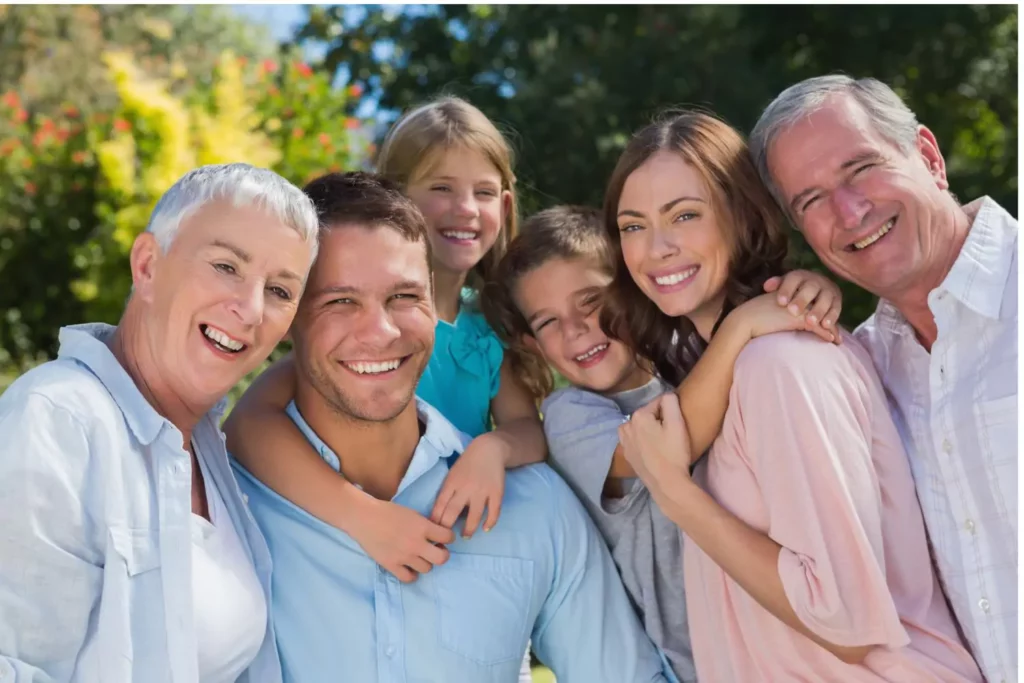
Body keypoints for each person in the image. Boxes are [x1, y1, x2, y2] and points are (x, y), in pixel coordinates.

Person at [230, 171, 671, 683]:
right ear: (290, 316)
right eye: (340, 301)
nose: (381, 331)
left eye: (403, 297)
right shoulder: (226, 505)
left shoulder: (535, 505)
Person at [605, 111, 982, 681]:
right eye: (633, 225)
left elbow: (844, 619)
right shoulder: (724, 367)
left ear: (742, 216)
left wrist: (679, 497)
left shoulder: (783, 365)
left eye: (684, 215)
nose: (656, 247)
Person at [224, 96, 542, 678]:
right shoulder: (346, 340)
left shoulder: (488, 327)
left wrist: (492, 449)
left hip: (457, 551)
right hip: (356, 551)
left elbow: (528, 430)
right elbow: (247, 426)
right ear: (394, 199)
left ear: (508, 203)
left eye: (483, 191)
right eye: (441, 187)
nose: (464, 208)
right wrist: (363, 518)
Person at [481, 204, 846, 682]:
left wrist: (810, 292)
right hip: (689, 663)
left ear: (633, 291)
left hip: (776, 634)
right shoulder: (571, 418)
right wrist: (742, 327)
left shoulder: (692, 359)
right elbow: (667, 444)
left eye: (590, 301)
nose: (575, 330)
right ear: (533, 345)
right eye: (548, 323)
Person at [0, 163, 320, 682]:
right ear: (148, 264)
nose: (251, 309)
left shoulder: (210, 452)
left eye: (281, 291)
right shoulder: (58, 421)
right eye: (226, 266)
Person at [748, 74, 1017, 683]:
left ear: (928, 157)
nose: (849, 212)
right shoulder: (857, 370)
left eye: (861, 168)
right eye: (811, 201)